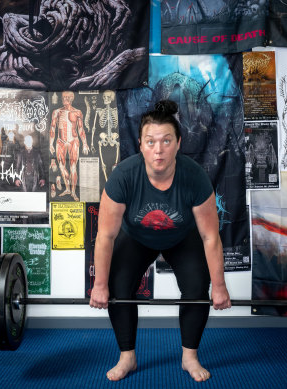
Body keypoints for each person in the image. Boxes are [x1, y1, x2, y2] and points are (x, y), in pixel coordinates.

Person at [89, 100, 232, 382]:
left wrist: (220, 287)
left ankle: (189, 357)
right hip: (137, 236)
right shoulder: (123, 177)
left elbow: (209, 236)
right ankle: (127, 357)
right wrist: (99, 285)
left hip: (181, 237)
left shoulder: (194, 177)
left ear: (178, 143)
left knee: (196, 288)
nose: (158, 149)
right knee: (118, 286)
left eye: (166, 141)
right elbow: (105, 236)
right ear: (141, 144)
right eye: (151, 141)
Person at [49, 91, 90, 201]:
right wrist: (50, 143)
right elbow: (52, 128)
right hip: (60, 141)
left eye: (67, 97)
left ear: (71, 98)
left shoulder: (78, 112)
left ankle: (73, 192)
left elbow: (81, 129)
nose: (64, 99)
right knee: (62, 166)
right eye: (63, 97)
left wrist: (85, 144)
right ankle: (67, 188)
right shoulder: (56, 112)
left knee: (73, 167)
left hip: (73, 141)